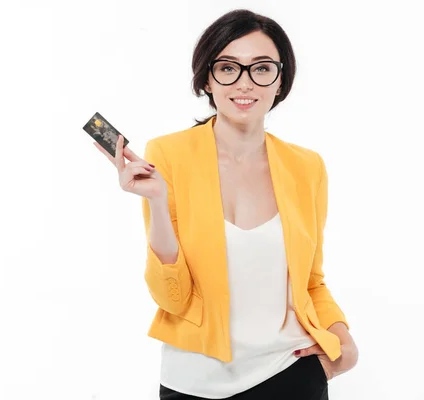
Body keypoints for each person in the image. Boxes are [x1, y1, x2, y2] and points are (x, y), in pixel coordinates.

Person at [94, 9, 358, 400]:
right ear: (206, 79)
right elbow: (173, 298)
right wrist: (159, 203)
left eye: (262, 68)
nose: (245, 83)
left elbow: (311, 282)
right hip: (193, 382)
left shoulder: (307, 167)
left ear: (280, 79)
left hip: (291, 373)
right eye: (228, 68)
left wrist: (344, 342)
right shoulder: (169, 155)